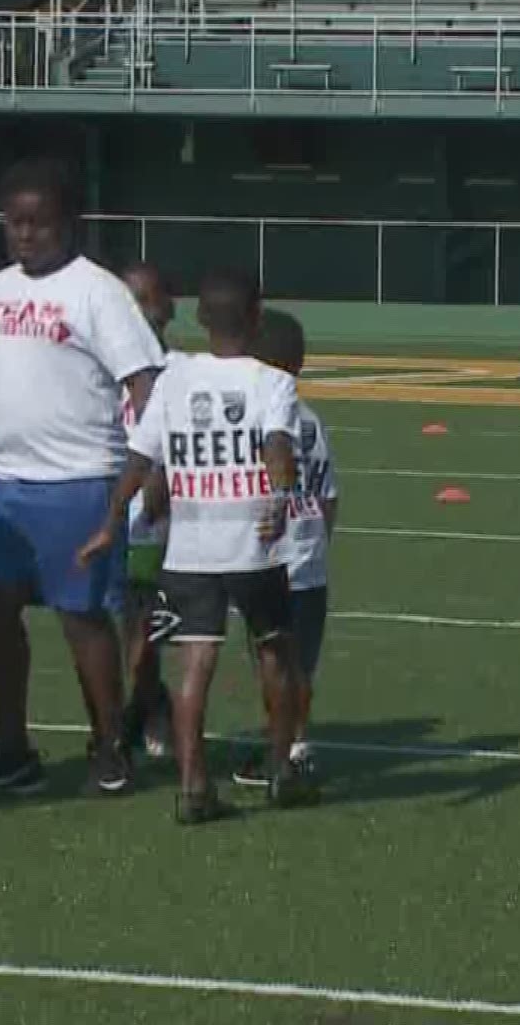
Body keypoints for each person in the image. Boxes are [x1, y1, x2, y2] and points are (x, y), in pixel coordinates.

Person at [0, 156, 166, 797]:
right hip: (3, 486)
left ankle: (108, 745)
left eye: (39, 222)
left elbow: (144, 385)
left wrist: (144, 473)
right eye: (15, 223)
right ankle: (10, 749)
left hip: (80, 483)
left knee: (82, 619)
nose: (25, 234)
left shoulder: (98, 291)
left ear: (69, 224)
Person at [78, 268, 307, 823]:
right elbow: (277, 448)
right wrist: (277, 501)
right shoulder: (272, 381)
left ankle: (193, 786)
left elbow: (140, 460)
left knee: (194, 665)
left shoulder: (172, 381)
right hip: (254, 547)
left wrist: (111, 521)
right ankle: (281, 771)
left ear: (201, 319)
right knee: (275, 652)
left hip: (190, 550)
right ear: (255, 318)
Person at [233, 309, 335, 794]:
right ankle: (299, 742)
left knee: (271, 656)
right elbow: (329, 496)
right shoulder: (313, 421)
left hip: (270, 558)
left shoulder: (261, 415)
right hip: (309, 557)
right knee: (301, 661)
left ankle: (284, 747)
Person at [117, 260, 180, 760]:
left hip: (156, 521)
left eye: (145, 300)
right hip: (107, 514)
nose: (136, 311)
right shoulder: (101, 367)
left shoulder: (181, 370)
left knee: (145, 624)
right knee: (126, 625)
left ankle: (139, 716)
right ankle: (147, 707)